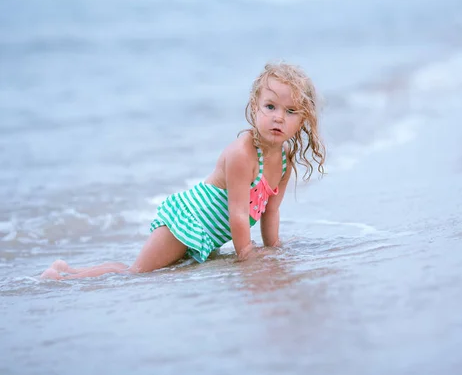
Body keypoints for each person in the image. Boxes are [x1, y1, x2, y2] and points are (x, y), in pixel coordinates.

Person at [41, 62, 326, 280]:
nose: (278, 116)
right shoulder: (243, 154)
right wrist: (246, 254)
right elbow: (238, 214)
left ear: (303, 120)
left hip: (205, 235)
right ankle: (66, 275)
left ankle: (68, 272)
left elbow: (271, 211)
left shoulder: (285, 160)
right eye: (270, 106)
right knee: (136, 273)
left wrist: (274, 248)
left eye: (290, 111)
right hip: (185, 223)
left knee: (157, 274)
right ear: (255, 107)